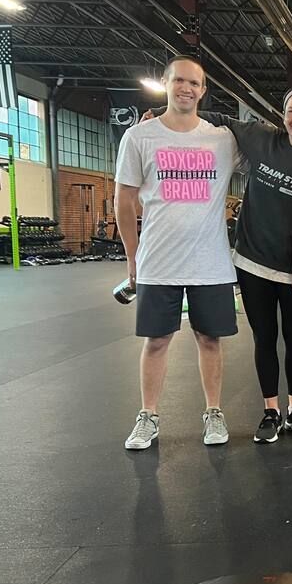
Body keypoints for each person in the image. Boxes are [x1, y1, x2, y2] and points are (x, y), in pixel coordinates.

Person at [149, 88, 292, 443]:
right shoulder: (261, 138)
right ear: (283, 115)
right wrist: (161, 110)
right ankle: (270, 411)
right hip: (253, 263)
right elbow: (217, 118)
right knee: (264, 337)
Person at [116, 55, 244, 450]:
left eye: (195, 83)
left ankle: (213, 412)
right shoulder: (139, 137)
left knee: (210, 340)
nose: (187, 88)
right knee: (156, 341)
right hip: (158, 261)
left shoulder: (222, 140)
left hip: (210, 263)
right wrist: (132, 257)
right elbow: (123, 200)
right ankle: (148, 417)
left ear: (203, 91)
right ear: (166, 84)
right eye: (179, 81)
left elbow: (273, 153)